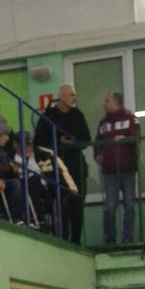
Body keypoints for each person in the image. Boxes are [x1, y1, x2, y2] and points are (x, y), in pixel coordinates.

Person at [33, 85, 91, 244]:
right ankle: (63, 240)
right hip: (56, 168)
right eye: (72, 95)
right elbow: (39, 142)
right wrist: (59, 142)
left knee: (78, 205)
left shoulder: (77, 115)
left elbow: (87, 139)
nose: (74, 98)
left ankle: (76, 240)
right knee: (61, 206)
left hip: (76, 165)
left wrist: (74, 142)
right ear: (62, 96)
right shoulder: (48, 116)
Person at [94, 91, 140, 246]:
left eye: (107, 101)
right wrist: (98, 155)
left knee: (129, 205)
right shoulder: (103, 123)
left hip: (127, 169)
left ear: (115, 102)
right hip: (109, 170)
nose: (104, 104)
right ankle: (110, 240)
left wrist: (126, 139)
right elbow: (97, 142)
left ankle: (128, 239)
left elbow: (136, 137)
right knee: (109, 207)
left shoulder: (130, 118)